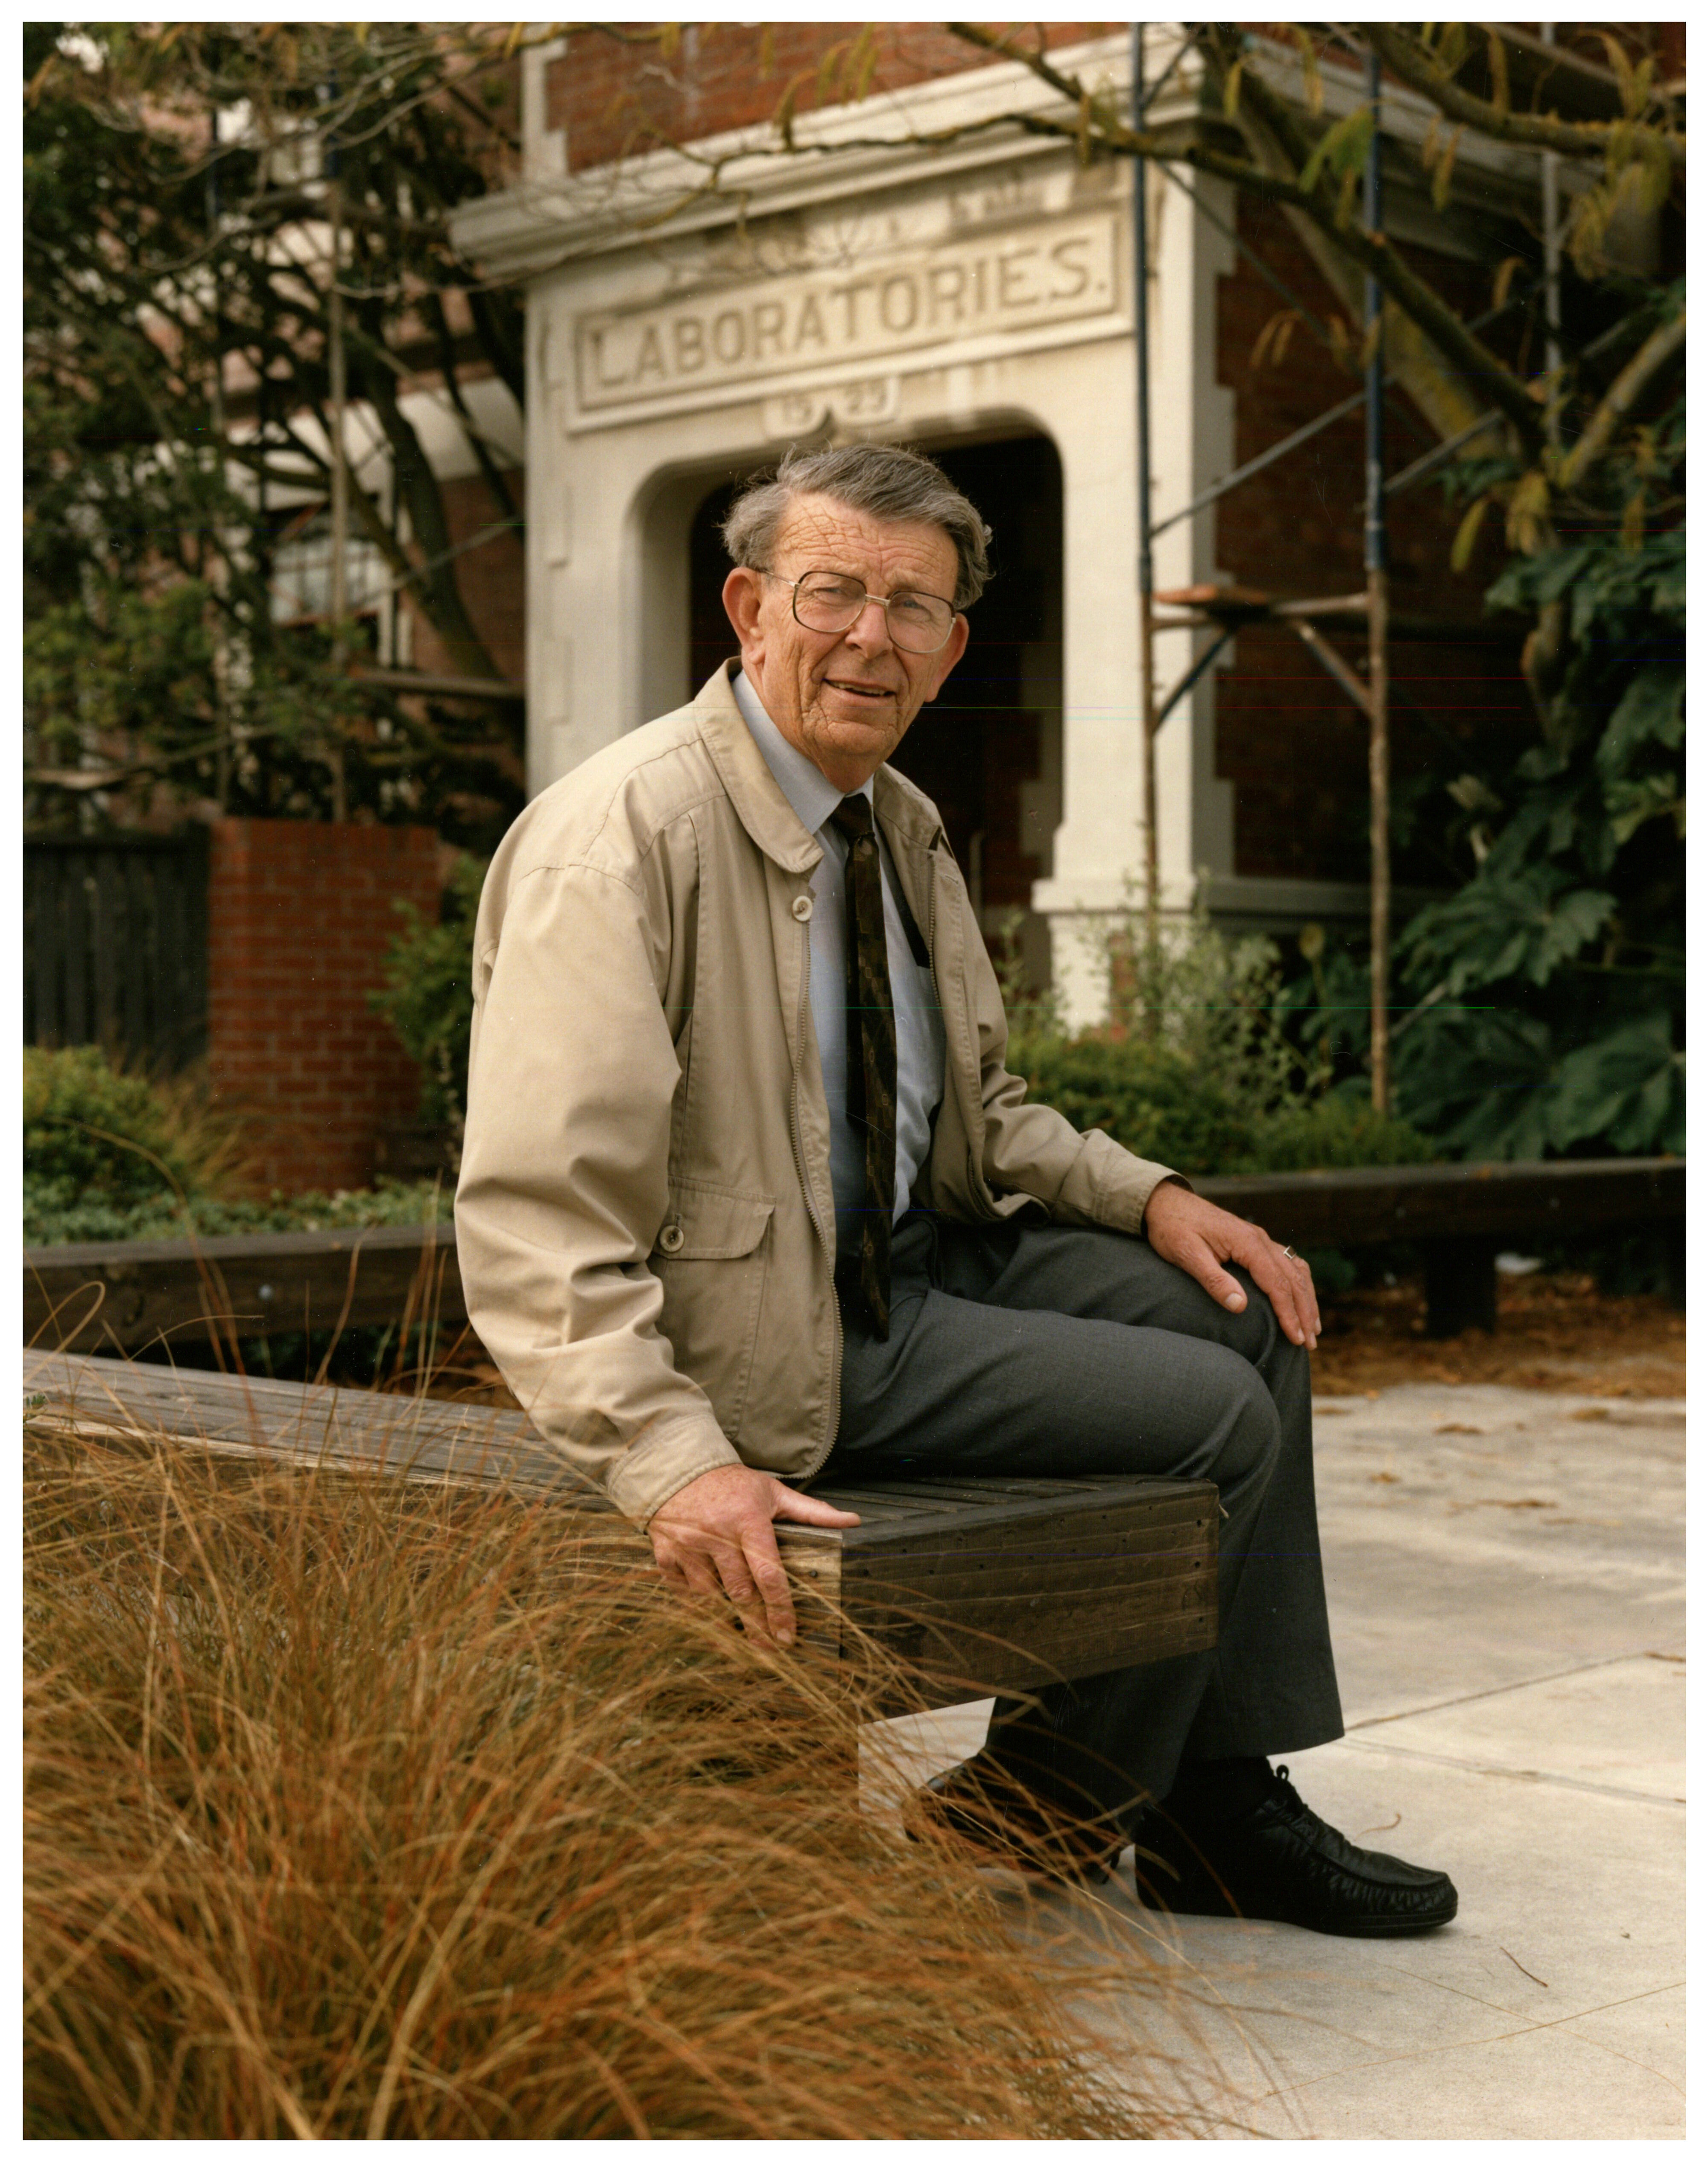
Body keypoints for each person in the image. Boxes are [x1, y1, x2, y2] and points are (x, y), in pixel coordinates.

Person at [456, 441, 1456, 1935]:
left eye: (911, 605)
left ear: (951, 645)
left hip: (913, 1267)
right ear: (748, 607)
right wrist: (672, 1458)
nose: (871, 635)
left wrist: (1153, 1197)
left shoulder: (899, 825)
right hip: (776, 1338)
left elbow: (976, 1113)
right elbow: (539, 1220)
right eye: (832, 592)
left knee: (1245, 1311)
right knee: (1217, 1419)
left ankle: (1213, 1797)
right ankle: (1044, 1806)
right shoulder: (624, 838)